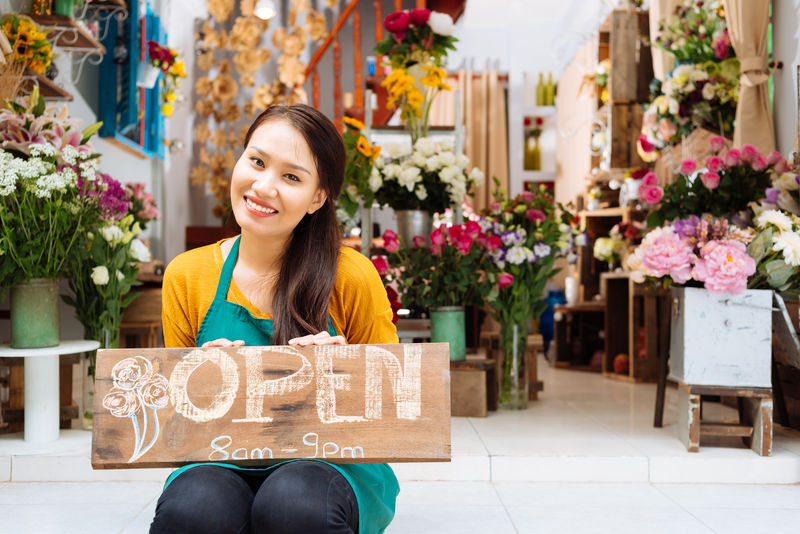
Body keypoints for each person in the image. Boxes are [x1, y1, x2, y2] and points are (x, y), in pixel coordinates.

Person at [150, 104, 399, 534]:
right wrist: (200, 379)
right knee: (192, 512)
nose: (263, 186)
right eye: (257, 161)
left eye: (291, 177)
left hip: (332, 463)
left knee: (292, 504)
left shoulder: (352, 275)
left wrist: (344, 372)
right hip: (221, 456)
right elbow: (174, 421)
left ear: (318, 198)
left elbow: (398, 402)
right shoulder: (187, 275)